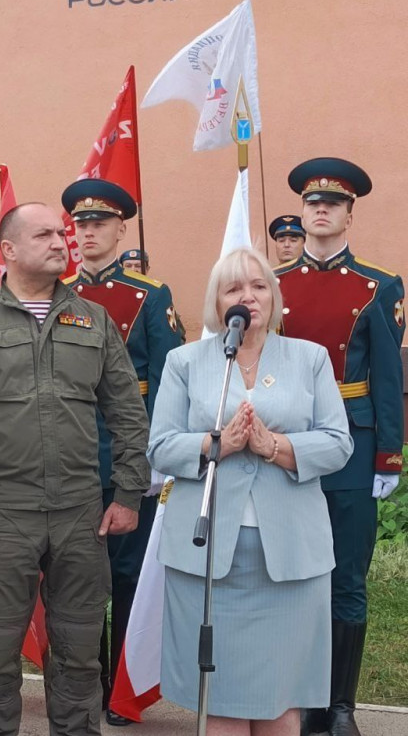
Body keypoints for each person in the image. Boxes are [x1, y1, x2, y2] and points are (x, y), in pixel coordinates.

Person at [0, 202, 150, 736]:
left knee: (78, 656)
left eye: (60, 233)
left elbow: (127, 413)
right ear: (9, 249)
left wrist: (128, 493)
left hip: (80, 516)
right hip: (0, 517)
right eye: (44, 234)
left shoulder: (94, 320)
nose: (60, 241)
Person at [149, 247, 354, 734]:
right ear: (218, 303)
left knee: (282, 698)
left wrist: (273, 446)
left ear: (274, 296)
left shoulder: (310, 358)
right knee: (219, 697)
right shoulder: (185, 361)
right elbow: (160, 446)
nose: (249, 297)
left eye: (259, 286)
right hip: (208, 557)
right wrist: (216, 443)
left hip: (290, 555)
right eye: (234, 288)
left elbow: (338, 443)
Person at [274, 158, 405, 736]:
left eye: (332, 203)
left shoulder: (378, 285)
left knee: (346, 579)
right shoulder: (273, 283)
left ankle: (341, 706)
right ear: (302, 213)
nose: (321, 210)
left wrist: (388, 455)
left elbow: (388, 378)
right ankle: (300, 701)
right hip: (286, 444)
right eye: (312, 203)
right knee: (290, 578)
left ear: (350, 215)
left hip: (353, 444)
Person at [62, 179, 184, 727]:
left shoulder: (149, 295)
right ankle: (84, 684)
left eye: (100, 224)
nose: (88, 232)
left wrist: (155, 455)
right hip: (68, 456)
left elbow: (168, 381)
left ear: (120, 230)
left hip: (126, 452)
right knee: (76, 580)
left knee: (128, 576)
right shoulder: (57, 293)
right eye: (81, 224)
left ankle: (121, 687)